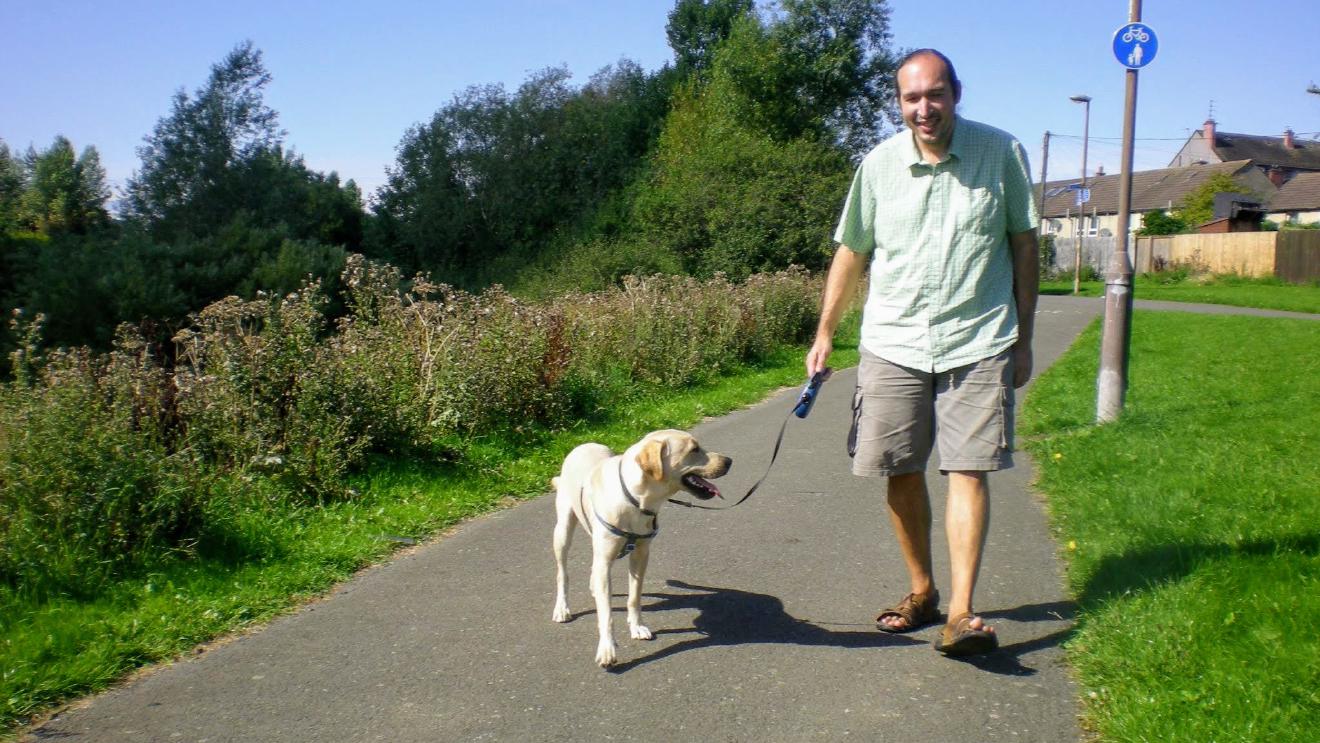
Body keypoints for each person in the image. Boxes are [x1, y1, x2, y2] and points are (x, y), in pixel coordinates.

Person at [805, 48, 1039, 656]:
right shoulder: (878, 165)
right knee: (899, 469)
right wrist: (825, 331)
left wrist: (1025, 337)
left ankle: (961, 614)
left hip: (979, 337)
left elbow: (1023, 246)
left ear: (956, 92)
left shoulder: (1002, 153)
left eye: (935, 94)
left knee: (968, 469)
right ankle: (923, 591)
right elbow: (851, 251)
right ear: (899, 102)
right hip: (894, 340)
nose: (924, 109)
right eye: (912, 98)